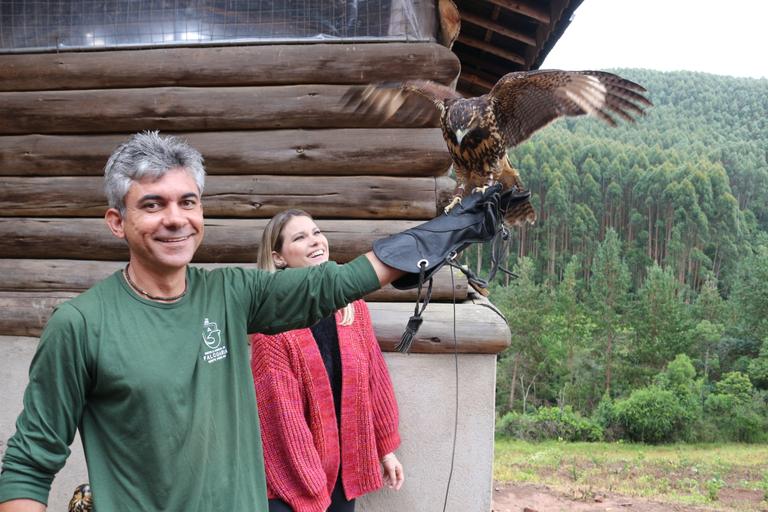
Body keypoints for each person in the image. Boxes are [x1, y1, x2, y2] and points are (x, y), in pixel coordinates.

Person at [0, 131, 525, 511]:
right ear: (118, 222)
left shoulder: (230, 294)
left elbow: (331, 285)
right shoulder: (80, 325)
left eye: (188, 201)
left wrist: (441, 234)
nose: (176, 219)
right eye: (153, 205)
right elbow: (29, 463)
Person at [251, 210, 403, 512]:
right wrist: (313, 486)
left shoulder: (353, 310)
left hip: (344, 474)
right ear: (278, 258)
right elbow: (283, 419)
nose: (315, 241)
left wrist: (385, 449)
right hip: (292, 480)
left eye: (317, 232)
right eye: (299, 237)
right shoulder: (271, 327)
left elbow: (376, 382)